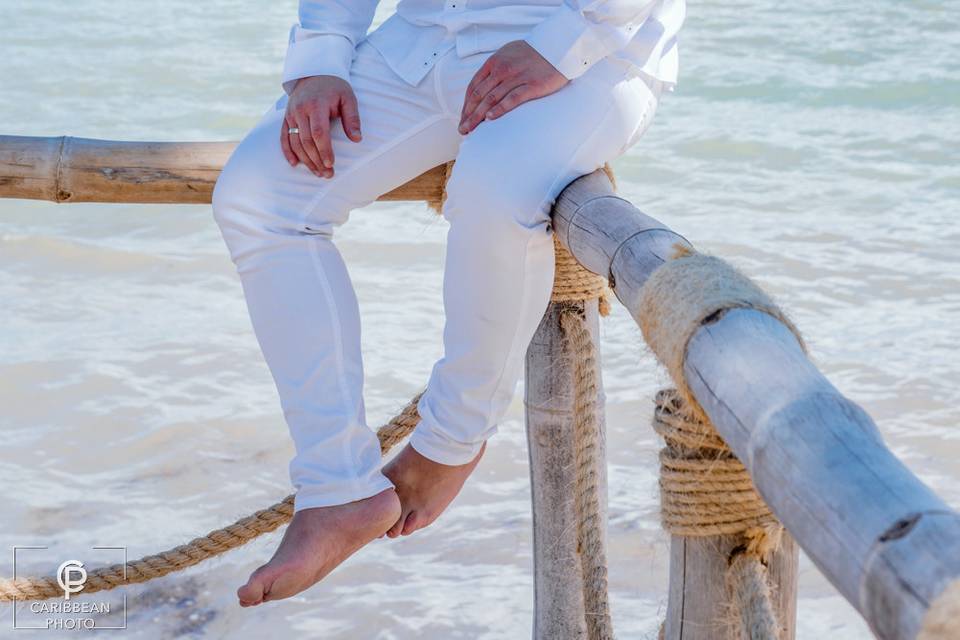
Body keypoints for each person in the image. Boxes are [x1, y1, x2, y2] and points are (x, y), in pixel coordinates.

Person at [212, 0, 685, 607]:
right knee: (258, 196)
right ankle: (337, 489)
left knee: (494, 190)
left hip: (593, 53)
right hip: (425, 38)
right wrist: (322, 56)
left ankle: (449, 442)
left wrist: (565, 43)